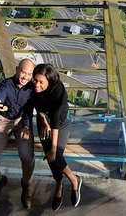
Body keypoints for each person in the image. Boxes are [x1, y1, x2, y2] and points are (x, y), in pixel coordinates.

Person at [0, 58, 36, 209]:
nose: (25, 77)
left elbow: (29, 111)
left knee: (27, 157)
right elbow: (0, 97)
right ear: (17, 69)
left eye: (29, 74)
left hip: (22, 122)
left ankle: (26, 184)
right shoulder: (6, 84)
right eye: (23, 72)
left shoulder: (32, 88)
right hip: (4, 121)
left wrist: (26, 126)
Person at [32, 63, 82, 211]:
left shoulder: (58, 90)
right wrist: (43, 120)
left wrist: (53, 149)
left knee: (55, 154)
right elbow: (36, 106)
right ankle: (60, 183)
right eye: (36, 80)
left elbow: (55, 120)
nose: (37, 84)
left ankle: (73, 180)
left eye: (42, 82)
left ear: (50, 82)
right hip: (44, 122)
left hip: (61, 122)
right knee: (51, 156)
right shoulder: (33, 85)